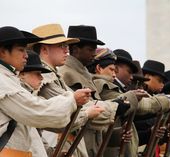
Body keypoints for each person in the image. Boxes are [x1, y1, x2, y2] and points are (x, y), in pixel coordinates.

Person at [0, 26, 89, 157]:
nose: (26, 55)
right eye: (20, 50)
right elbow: (37, 112)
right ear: (2, 52)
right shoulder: (3, 82)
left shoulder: (9, 78)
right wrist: (72, 100)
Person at [32, 24, 104, 157]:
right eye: (61, 46)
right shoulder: (45, 78)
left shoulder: (54, 75)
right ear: (44, 50)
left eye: (66, 46)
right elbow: (65, 114)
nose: (66, 50)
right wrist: (88, 113)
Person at [59, 25, 128, 157]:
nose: (93, 54)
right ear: (75, 49)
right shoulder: (66, 74)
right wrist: (115, 107)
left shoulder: (84, 73)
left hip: (91, 144)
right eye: (90, 49)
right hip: (76, 146)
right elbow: (81, 111)